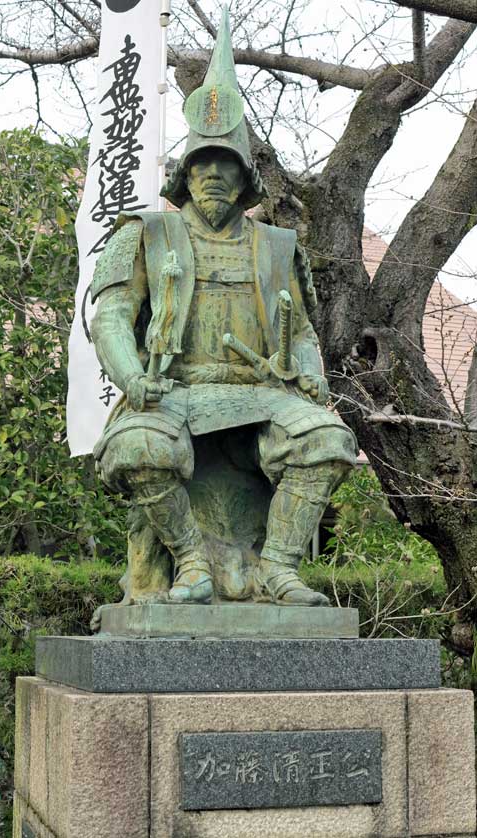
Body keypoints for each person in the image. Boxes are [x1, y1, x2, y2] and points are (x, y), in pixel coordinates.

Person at [90, 8, 357, 606]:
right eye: (202, 162)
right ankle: (190, 562)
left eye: (226, 163)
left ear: (245, 177)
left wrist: (308, 372)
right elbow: (110, 317)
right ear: (185, 174)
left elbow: (301, 331)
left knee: (329, 440)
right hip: (173, 390)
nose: (213, 173)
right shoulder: (146, 233)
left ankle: (278, 568)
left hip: (262, 391)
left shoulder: (277, 245)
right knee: (137, 448)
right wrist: (132, 378)